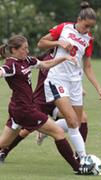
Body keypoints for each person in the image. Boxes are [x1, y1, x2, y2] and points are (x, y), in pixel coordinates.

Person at [0, 34, 95, 175]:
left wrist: (64, 58)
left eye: (27, 48)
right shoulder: (11, 64)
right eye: (24, 48)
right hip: (24, 110)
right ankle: (77, 167)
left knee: (3, 144)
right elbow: (2, 72)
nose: (27, 51)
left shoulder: (27, 60)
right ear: (14, 50)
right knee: (58, 132)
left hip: (19, 108)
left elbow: (44, 64)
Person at [37, 1, 101, 160]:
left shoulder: (88, 39)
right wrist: (58, 42)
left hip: (75, 81)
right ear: (79, 19)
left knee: (78, 120)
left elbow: (87, 66)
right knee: (72, 121)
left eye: (91, 27)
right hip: (57, 78)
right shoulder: (64, 28)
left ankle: (47, 129)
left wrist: (98, 88)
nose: (88, 30)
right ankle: (82, 158)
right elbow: (41, 43)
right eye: (86, 26)